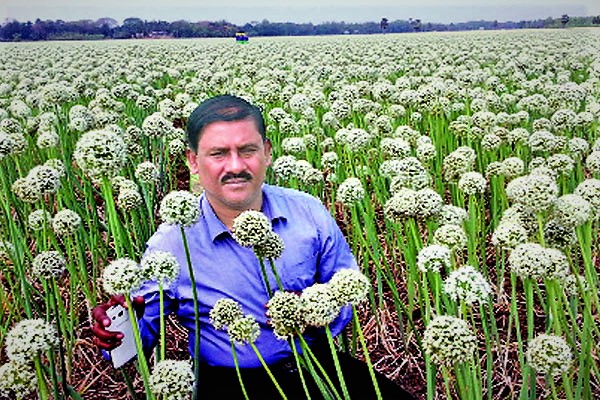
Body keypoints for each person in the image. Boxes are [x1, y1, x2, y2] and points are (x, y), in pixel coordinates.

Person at [92, 94, 416, 399]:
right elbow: (137, 337)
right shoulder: (172, 243)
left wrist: (315, 308)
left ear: (267, 152)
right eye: (218, 154)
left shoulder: (308, 211)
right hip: (229, 383)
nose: (235, 166)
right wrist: (116, 329)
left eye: (247, 150)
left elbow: (347, 291)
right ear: (193, 161)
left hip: (315, 366)